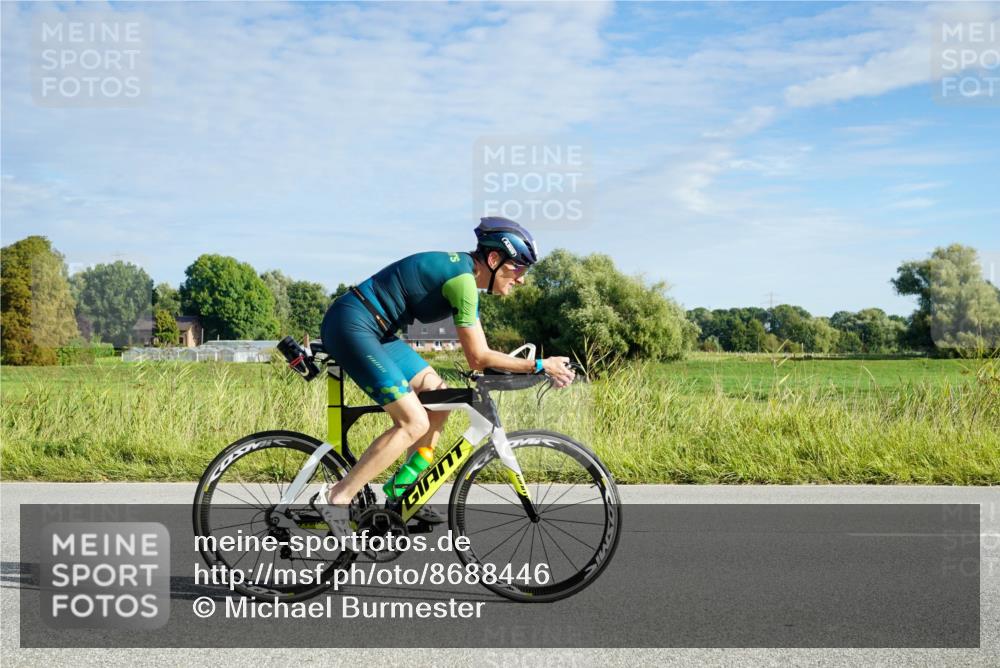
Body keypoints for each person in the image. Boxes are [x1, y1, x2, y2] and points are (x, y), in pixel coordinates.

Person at [313, 217, 575, 533]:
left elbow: (482, 357)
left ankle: (402, 492)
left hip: (378, 331)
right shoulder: (463, 283)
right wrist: (540, 365)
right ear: (494, 259)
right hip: (353, 325)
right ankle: (337, 497)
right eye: (518, 268)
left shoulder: (465, 278)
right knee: (414, 422)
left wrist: (534, 368)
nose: (521, 279)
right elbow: (478, 358)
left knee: (439, 397)